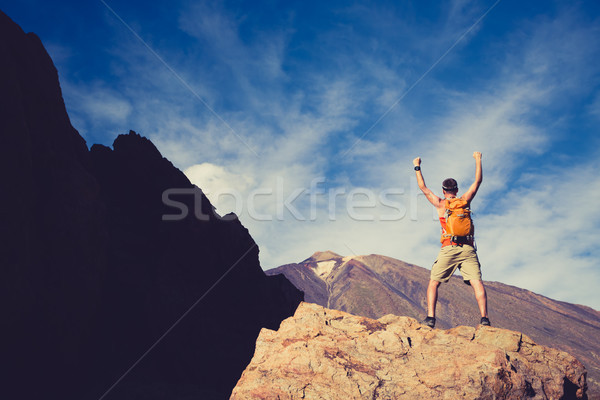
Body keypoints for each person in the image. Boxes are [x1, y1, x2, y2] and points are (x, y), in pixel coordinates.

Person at [413, 152, 489, 328]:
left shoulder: (441, 204)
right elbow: (478, 182)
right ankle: (484, 318)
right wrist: (478, 159)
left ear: (443, 191)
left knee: (434, 282)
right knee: (477, 282)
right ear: (456, 190)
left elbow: (423, 187)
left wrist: (417, 166)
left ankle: (431, 318)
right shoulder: (465, 201)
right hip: (468, 249)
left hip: (449, 247)